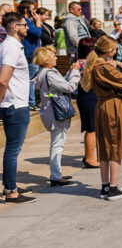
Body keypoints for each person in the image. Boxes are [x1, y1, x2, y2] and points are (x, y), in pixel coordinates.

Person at [84, 35, 122, 200]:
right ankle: (113, 188)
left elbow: (117, 79)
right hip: (112, 106)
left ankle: (105, 187)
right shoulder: (103, 66)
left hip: (102, 105)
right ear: (110, 51)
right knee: (115, 146)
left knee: (104, 147)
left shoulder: (98, 64)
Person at [32, 46, 81, 186]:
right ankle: (56, 176)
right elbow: (70, 87)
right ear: (47, 60)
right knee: (57, 144)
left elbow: (60, 86)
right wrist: (76, 73)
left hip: (49, 110)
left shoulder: (43, 72)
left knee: (57, 143)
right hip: (55, 112)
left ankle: (57, 172)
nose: (56, 57)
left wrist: (70, 72)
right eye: (53, 56)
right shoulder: (50, 74)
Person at [0, 13, 35, 203]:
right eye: (24, 24)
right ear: (15, 27)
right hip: (15, 105)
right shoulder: (11, 48)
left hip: (14, 103)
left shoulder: (9, 46)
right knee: (13, 150)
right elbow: (3, 79)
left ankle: (11, 184)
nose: (27, 27)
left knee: (13, 149)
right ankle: (11, 191)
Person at [77, 38, 100, 168]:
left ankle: (89, 156)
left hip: (84, 96)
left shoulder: (77, 63)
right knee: (92, 129)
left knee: (90, 128)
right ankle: (90, 158)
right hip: (90, 96)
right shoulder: (90, 64)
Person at [18, 1, 43, 110]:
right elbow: (37, 33)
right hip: (30, 53)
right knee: (31, 80)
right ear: (26, 10)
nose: (34, 11)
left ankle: (31, 101)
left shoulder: (28, 20)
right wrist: (38, 21)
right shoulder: (25, 21)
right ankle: (31, 103)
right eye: (32, 8)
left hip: (32, 52)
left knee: (31, 79)